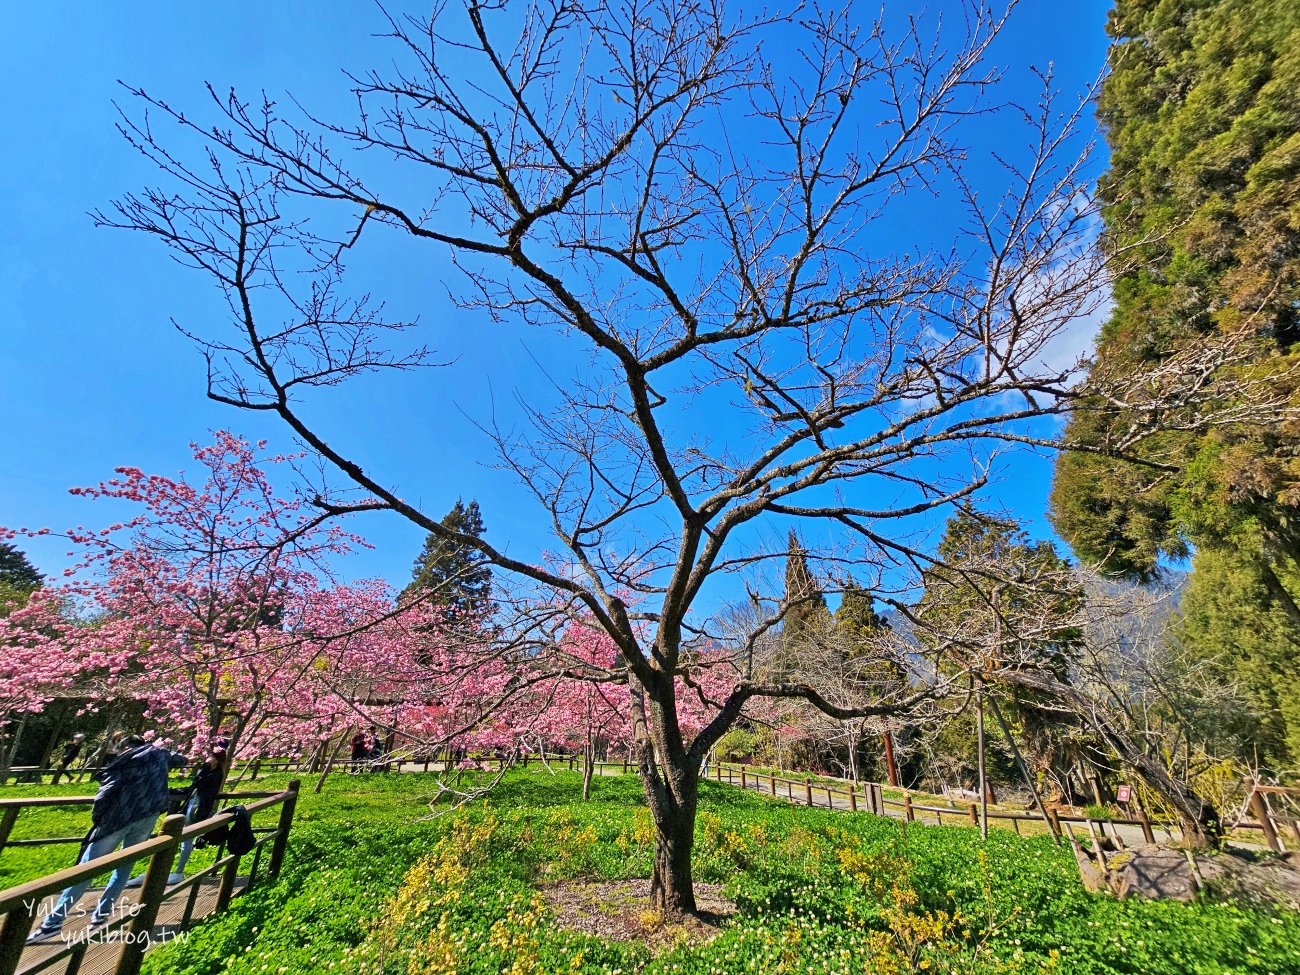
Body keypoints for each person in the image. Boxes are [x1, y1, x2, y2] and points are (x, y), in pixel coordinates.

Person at [26, 735, 185, 944]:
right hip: (148, 817)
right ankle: (101, 915)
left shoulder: (124, 763)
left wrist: (99, 819)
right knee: (124, 868)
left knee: (87, 869)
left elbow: (104, 795)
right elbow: (181, 759)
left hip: (117, 820)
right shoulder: (160, 754)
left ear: (126, 748)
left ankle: (53, 922)